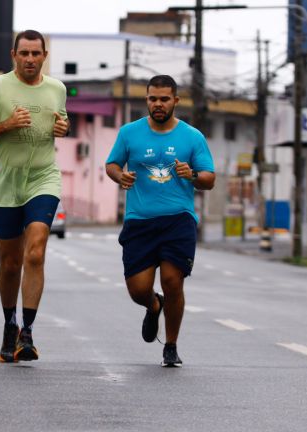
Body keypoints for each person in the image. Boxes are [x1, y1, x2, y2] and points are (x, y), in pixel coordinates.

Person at [0, 30, 69, 363]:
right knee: (10, 264)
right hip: (6, 183)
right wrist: (7, 124)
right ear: (14, 54)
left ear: (44, 55)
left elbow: (60, 122)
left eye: (35, 54)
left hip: (44, 176)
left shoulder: (57, 89)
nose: (29, 59)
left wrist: (62, 128)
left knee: (35, 252)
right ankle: (10, 324)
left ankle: (27, 332)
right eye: (23, 53)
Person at [105, 75, 215, 367]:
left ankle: (171, 345)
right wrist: (120, 176)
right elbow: (112, 164)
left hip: (178, 220)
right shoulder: (130, 133)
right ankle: (154, 306)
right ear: (147, 100)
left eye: (164, 99)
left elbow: (209, 178)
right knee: (138, 289)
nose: (158, 104)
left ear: (175, 101)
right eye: (153, 98)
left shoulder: (192, 137)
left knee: (172, 281)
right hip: (139, 220)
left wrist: (191, 174)